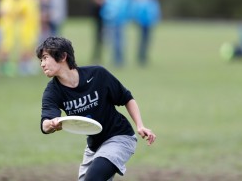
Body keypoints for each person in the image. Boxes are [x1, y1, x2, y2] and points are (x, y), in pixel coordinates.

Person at [36, 36, 156, 181]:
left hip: (120, 137)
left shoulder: (97, 74)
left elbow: (126, 98)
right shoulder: (52, 91)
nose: (42, 64)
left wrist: (140, 125)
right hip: (94, 146)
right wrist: (51, 124)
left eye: (45, 58)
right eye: (41, 60)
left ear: (62, 56)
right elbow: (45, 123)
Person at [100, 0, 132, 67]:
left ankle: (119, 60)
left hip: (120, 23)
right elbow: (105, 9)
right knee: (111, 41)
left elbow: (127, 9)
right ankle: (115, 59)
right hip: (110, 23)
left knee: (120, 42)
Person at [131, 0, 161, 66]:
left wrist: (155, 19)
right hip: (141, 23)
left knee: (147, 40)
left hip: (149, 23)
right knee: (141, 40)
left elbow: (155, 11)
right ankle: (140, 56)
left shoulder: (152, 0)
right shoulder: (138, 0)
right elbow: (135, 11)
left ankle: (144, 56)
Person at [90, 0, 106, 64]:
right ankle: (96, 57)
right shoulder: (96, 7)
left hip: (104, 27)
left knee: (101, 43)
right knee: (97, 43)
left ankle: (99, 57)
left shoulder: (104, 6)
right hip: (98, 27)